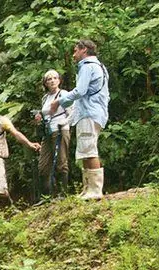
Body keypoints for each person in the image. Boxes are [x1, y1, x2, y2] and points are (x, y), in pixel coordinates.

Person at [51, 39, 109, 200]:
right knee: (84, 150)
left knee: (89, 150)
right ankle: (87, 189)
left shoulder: (87, 66)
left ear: (84, 50)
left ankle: (96, 190)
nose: (74, 54)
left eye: (76, 51)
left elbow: (80, 91)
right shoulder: (100, 67)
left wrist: (59, 101)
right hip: (93, 112)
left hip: (90, 113)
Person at [34, 70, 73, 200]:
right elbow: (45, 113)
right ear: (45, 82)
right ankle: (47, 196)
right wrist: (39, 117)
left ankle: (63, 193)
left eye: (55, 78)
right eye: (49, 79)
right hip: (47, 131)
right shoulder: (45, 98)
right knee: (43, 165)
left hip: (61, 129)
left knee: (61, 161)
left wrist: (65, 123)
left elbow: (73, 113)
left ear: (59, 80)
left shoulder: (64, 94)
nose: (52, 81)